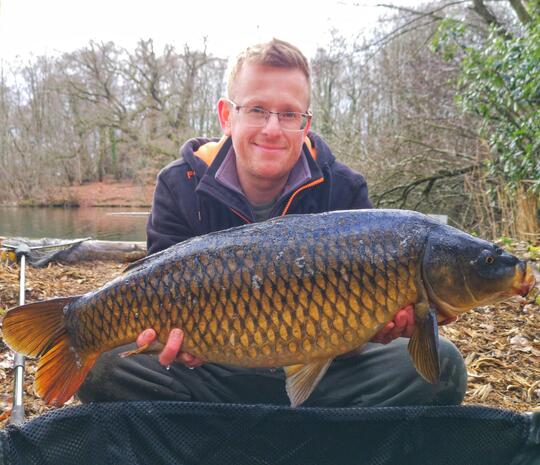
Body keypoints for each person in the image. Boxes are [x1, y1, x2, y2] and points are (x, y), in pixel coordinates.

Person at [78, 38, 467, 407]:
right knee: (100, 367)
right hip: (213, 366)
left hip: (327, 366)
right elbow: (157, 286)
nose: (272, 129)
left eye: (289, 114)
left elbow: (370, 327)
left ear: (306, 123)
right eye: (257, 110)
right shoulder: (180, 183)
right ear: (227, 115)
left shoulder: (344, 189)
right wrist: (173, 344)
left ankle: (265, 427)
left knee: (441, 368)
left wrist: (379, 329)